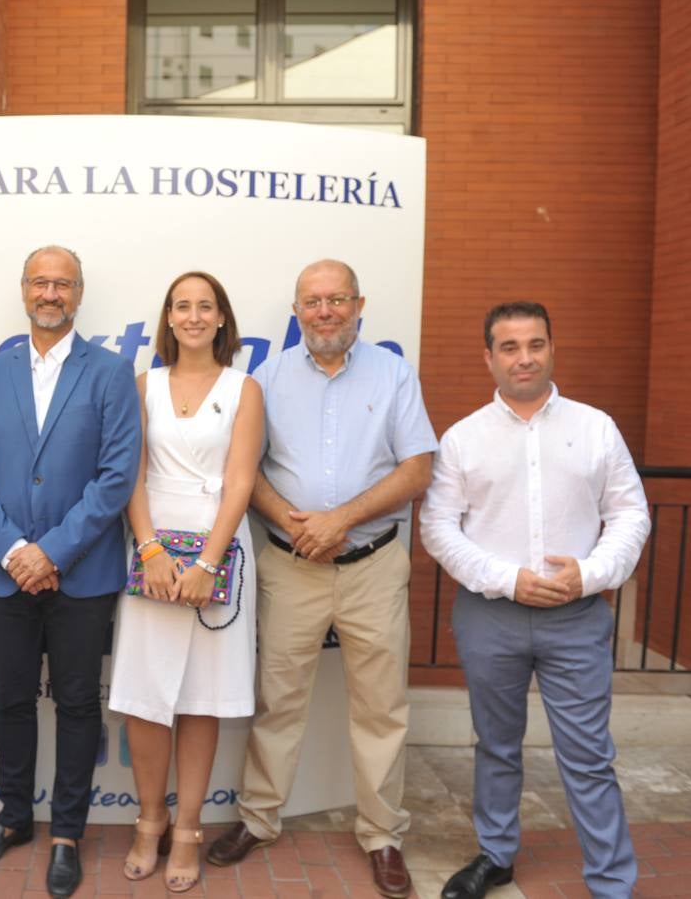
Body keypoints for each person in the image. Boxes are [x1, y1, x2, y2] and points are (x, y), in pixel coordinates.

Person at [207, 258, 437, 899]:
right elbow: (243, 471)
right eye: (313, 302)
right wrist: (296, 524)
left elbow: (417, 469)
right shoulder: (268, 377)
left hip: (374, 567)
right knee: (278, 701)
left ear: (358, 305)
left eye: (337, 300)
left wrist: (340, 520)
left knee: (381, 707)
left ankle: (383, 835)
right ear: (297, 310)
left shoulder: (393, 374)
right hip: (290, 566)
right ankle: (258, 819)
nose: (325, 312)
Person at [420, 302, 650, 899]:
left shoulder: (596, 427)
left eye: (535, 344)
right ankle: (496, 855)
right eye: (510, 347)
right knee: (495, 745)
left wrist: (592, 573)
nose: (524, 358)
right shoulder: (463, 438)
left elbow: (629, 513)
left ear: (552, 348)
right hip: (489, 616)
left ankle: (611, 881)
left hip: (575, 617)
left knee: (589, 756)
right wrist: (506, 577)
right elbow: (439, 528)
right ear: (489, 357)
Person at [0, 246, 141, 898]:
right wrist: (15, 552)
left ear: (80, 293)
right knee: (9, 699)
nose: (51, 293)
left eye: (63, 283)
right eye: (41, 281)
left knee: (77, 702)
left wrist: (52, 552)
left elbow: (116, 478)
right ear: (23, 290)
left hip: (81, 575)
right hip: (3, 575)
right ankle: (13, 819)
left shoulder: (112, 373)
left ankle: (67, 832)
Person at [108, 271, 263, 893]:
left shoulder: (244, 388)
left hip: (218, 550)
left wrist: (206, 564)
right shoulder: (142, 385)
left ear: (222, 318)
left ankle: (189, 828)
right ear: (167, 319)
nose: (194, 316)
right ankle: (150, 820)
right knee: (147, 696)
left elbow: (242, 482)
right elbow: (131, 475)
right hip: (151, 551)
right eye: (182, 306)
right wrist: (149, 549)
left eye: (206, 306)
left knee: (203, 696)